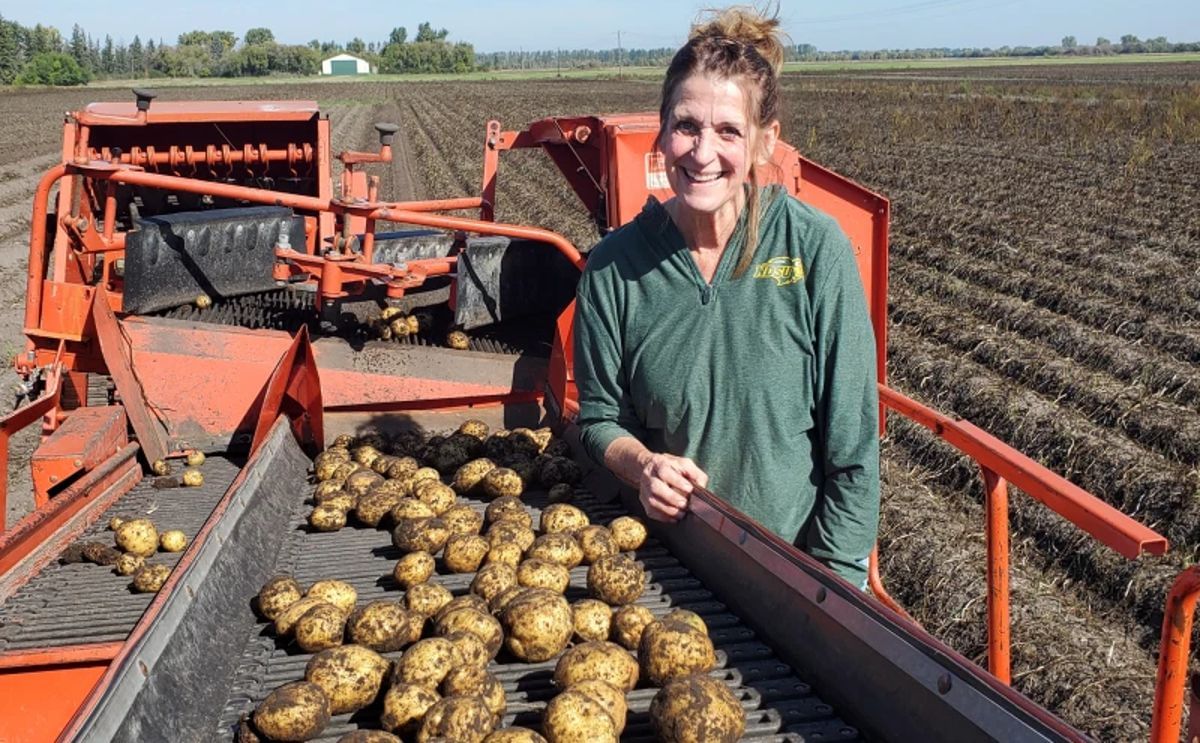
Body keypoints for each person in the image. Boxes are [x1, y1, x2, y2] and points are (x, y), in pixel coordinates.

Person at [572, 6, 880, 588]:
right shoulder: (614, 269)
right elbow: (599, 420)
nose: (702, 152)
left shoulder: (815, 249)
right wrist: (643, 465)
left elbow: (853, 447)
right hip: (672, 569)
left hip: (795, 565)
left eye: (729, 131)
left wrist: (836, 589)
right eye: (687, 125)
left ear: (765, 144)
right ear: (661, 131)